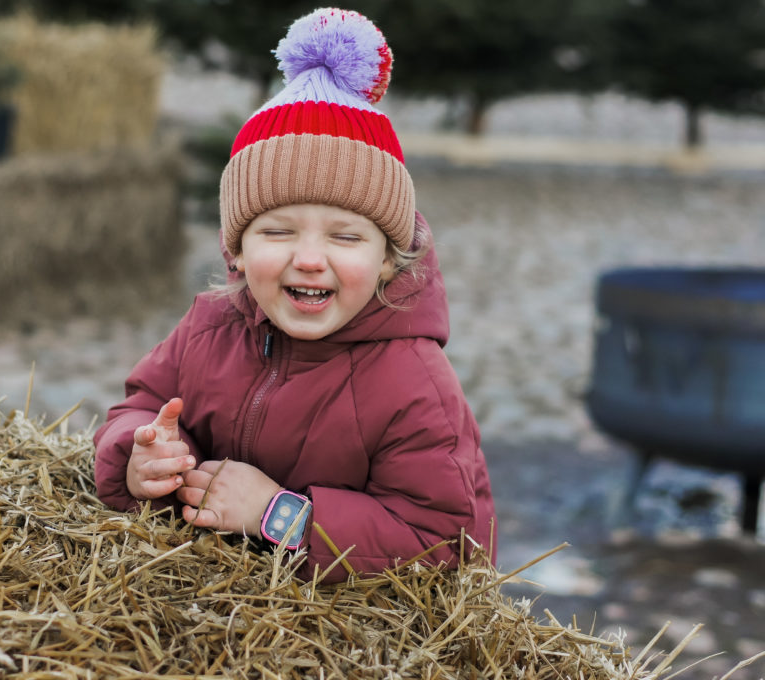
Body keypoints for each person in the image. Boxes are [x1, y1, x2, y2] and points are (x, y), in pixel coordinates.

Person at [94, 7, 496, 582]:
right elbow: (138, 404)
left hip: (348, 622)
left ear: (388, 258)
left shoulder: (413, 384)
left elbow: (444, 544)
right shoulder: (209, 326)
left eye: (345, 237)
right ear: (236, 249)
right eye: (278, 231)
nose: (309, 258)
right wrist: (141, 457)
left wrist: (277, 515)